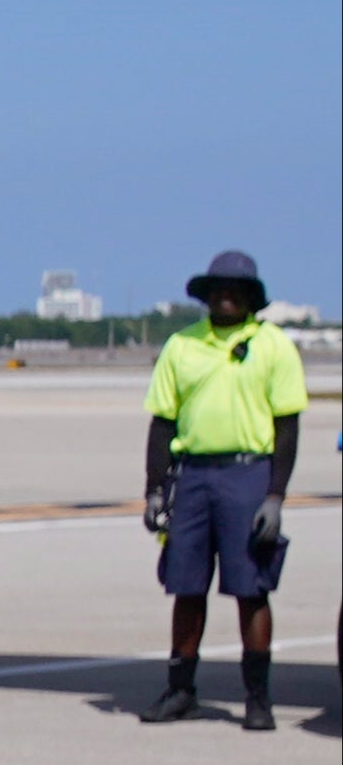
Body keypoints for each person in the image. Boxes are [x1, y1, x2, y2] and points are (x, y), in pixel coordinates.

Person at [139, 250, 306, 730]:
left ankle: (258, 698)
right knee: (186, 586)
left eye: (236, 289)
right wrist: (155, 489)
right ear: (206, 294)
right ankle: (180, 691)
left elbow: (287, 428)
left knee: (250, 588)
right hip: (192, 477)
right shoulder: (181, 345)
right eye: (217, 288)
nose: (226, 295)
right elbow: (162, 421)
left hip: (248, 474)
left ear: (252, 296)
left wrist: (275, 496)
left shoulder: (273, 346)